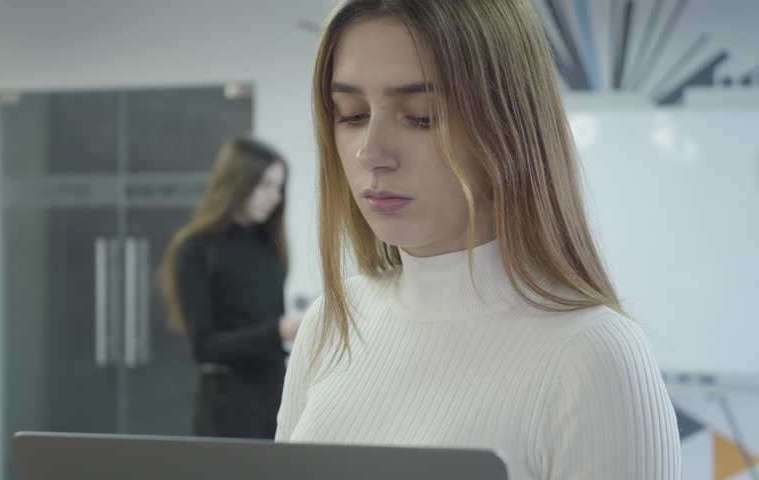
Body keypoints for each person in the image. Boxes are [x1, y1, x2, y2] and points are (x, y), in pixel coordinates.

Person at [275, 1, 680, 479]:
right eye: (352, 114)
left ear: (508, 127)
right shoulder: (331, 323)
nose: (371, 153)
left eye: (421, 116)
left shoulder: (593, 357)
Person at [160, 136, 301, 439]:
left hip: (275, 395)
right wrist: (279, 331)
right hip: (228, 406)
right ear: (237, 182)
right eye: (265, 185)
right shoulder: (197, 248)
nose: (274, 197)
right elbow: (205, 347)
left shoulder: (269, 245)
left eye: (279, 187)